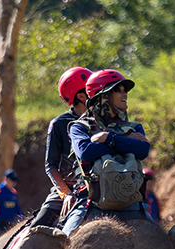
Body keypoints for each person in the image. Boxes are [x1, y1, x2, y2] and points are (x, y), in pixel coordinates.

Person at [61, 69, 151, 235]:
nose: (124, 95)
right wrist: (127, 141)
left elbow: (143, 150)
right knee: (61, 243)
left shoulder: (135, 127)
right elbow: (86, 152)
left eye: (125, 91)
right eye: (118, 90)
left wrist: (109, 138)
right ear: (102, 96)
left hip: (131, 200)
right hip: (90, 201)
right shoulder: (79, 127)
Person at [31, 66, 92, 228]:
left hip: (99, 187)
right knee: (37, 230)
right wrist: (66, 194)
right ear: (81, 96)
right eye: (91, 91)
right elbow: (50, 165)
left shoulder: (102, 120)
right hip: (69, 189)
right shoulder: (59, 124)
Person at [0, 169, 25, 236]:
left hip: (10, 221)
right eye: (12, 180)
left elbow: (17, 208)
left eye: (15, 181)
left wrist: (23, 219)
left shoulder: (13, 192)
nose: (13, 183)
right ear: (5, 179)